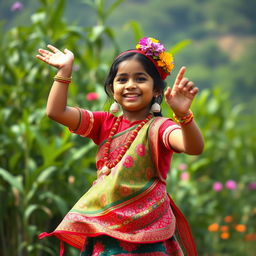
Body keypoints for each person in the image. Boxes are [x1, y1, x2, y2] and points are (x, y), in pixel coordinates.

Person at [36, 37, 204, 256]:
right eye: (122, 79)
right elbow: (55, 112)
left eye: (140, 79)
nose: (131, 85)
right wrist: (65, 72)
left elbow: (192, 147)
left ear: (156, 90)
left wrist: (183, 115)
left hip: (148, 232)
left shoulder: (160, 128)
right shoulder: (104, 124)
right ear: (112, 88)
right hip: (106, 230)